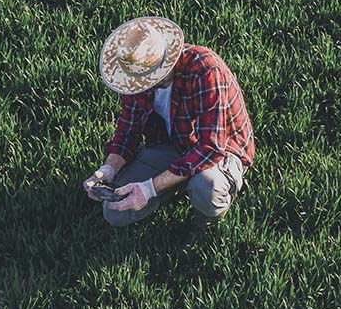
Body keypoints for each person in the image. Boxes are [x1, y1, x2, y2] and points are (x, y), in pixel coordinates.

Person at [83, 16, 255, 229]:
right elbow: (127, 131)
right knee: (115, 211)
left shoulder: (205, 69)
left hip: (219, 149)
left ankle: (206, 223)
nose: (148, 84)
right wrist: (107, 169)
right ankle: (177, 182)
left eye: (154, 76)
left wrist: (149, 188)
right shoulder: (136, 76)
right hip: (172, 143)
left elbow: (211, 147)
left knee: (206, 186)